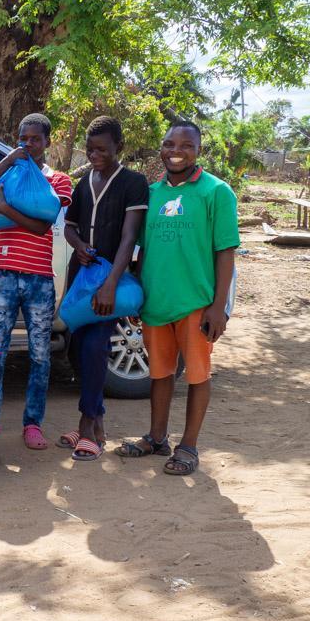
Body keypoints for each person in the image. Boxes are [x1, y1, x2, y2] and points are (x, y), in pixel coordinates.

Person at [115, 121, 239, 476]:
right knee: (159, 373)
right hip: (156, 302)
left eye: (185, 145)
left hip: (196, 302)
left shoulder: (216, 192)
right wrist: (137, 298)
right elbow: (140, 251)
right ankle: (156, 438)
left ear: (198, 150)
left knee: (197, 375)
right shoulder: (151, 194)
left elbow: (226, 252)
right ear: (161, 148)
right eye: (169, 143)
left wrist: (219, 307)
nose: (176, 150)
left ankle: (189, 446)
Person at [0, 113, 72, 450]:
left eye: (35, 139)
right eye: (23, 138)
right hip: (5, 275)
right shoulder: (5, 172)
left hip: (40, 278)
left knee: (40, 355)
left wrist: (3, 207)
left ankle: (32, 424)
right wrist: (6, 162)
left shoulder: (58, 180)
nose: (28, 144)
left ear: (48, 142)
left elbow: (42, 226)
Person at [58, 117, 148, 460]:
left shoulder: (133, 183)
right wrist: (79, 244)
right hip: (82, 276)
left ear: (119, 148)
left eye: (102, 150)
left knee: (97, 345)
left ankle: (85, 424)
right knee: (80, 348)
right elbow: (70, 227)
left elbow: (129, 237)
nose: (95, 155)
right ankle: (97, 424)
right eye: (90, 149)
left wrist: (110, 285)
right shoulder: (84, 184)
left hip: (111, 279)